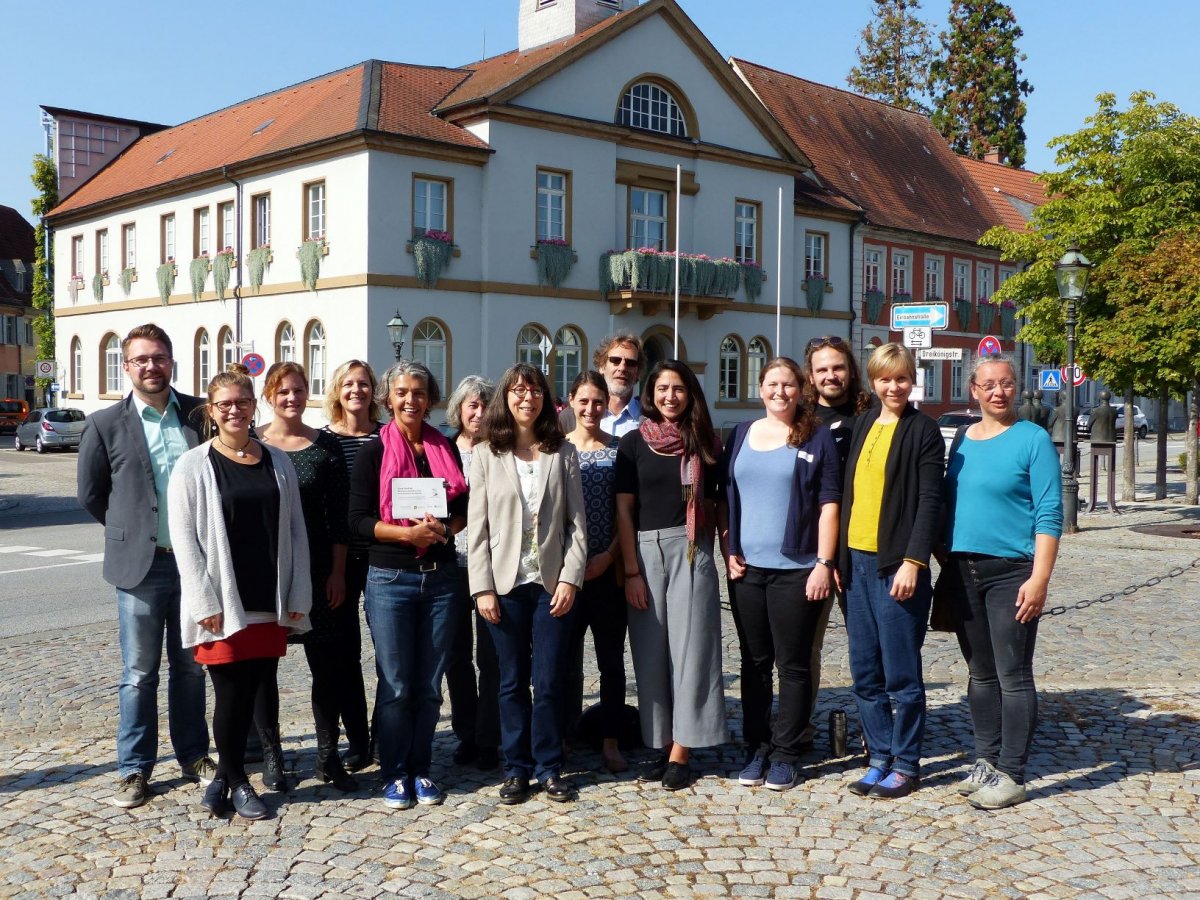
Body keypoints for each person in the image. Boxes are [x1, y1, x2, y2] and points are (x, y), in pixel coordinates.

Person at [76, 324, 215, 809]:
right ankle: (134, 768)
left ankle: (195, 756)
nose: (151, 366)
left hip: (196, 565)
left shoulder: (200, 415)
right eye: (141, 359)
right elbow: (92, 494)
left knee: (192, 670)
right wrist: (131, 532)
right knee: (138, 674)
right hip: (140, 566)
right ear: (126, 366)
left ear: (171, 361)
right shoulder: (104, 424)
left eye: (159, 357)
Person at [168, 366, 311, 819]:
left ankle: (221, 782)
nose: (234, 410)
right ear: (212, 411)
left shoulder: (277, 460)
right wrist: (203, 602)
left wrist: (296, 591)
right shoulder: (195, 465)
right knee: (230, 693)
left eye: (242, 402)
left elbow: (294, 531)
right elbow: (184, 537)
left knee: (253, 688)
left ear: (254, 407)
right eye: (225, 404)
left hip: (268, 599)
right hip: (223, 604)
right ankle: (238, 781)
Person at [942, 356, 1062, 809]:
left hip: (1012, 571)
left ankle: (1013, 771)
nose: (998, 392)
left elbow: (1050, 513)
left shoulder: (1032, 439)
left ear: (1016, 388)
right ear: (973, 390)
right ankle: (985, 761)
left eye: (1006, 384)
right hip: (963, 569)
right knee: (979, 674)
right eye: (989, 385)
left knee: (1013, 675)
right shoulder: (963, 439)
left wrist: (1040, 579)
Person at [348, 360, 467, 811]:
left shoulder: (444, 447)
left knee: (430, 683)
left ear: (430, 398)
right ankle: (394, 773)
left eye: (419, 392)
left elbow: (463, 509)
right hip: (391, 578)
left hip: (440, 579)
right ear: (388, 398)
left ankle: (421, 769)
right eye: (401, 392)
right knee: (397, 683)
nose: (410, 400)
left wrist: (445, 528)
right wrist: (407, 535)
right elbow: (358, 522)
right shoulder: (373, 451)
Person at [718, 357, 841, 791]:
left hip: (798, 568)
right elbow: (725, 499)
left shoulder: (816, 435)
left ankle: (787, 752)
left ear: (800, 389)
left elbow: (829, 503)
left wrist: (824, 563)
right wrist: (728, 548)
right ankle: (757, 747)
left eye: (788, 385)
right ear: (760, 387)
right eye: (772, 384)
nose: (780, 392)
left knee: (792, 665)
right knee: (754, 663)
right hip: (748, 570)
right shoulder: (739, 436)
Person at [467, 363, 587, 805]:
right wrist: (482, 588)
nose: (526, 398)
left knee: (551, 679)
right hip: (504, 584)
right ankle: (515, 768)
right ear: (506, 397)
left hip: (551, 584)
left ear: (545, 399)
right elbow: (476, 529)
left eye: (534, 391)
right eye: (518, 390)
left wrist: (571, 578)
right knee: (511, 681)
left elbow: (578, 525)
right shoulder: (485, 455)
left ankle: (550, 766)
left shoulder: (563, 452)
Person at [615, 360, 727, 791]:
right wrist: (631, 571)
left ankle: (683, 748)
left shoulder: (705, 443)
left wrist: (721, 552)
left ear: (690, 393)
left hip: (691, 546)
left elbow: (717, 506)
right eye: (662, 388)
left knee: (693, 651)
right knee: (650, 653)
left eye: (678, 388)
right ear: (651, 393)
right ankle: (659, 742)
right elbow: (625, 511)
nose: (670, 396)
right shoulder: (632, 444)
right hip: (643, 551)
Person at [838, 342, 942, 800]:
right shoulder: (864, 423)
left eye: (901, 377)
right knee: (865, 671)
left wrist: (914, 561)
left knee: (901, 673)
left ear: (911, 379)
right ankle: (878, 756)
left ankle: (906, 762)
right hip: (857, 562)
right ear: (874, 381)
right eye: (885, 378)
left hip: (896, 565)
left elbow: (929, 503)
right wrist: (839, 559)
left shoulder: (924, 430)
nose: (894, 386)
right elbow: (848, 495)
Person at [258, 362, 357, 792]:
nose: (292, 398)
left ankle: (326, 754)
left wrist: (338, 572)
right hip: (266, 571)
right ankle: (272, 756)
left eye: (298, 390)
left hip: (319, 570)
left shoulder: (326, 446)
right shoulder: (251, 443)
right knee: (263, 668)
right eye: (283, 391)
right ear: (268, 395)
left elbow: (339, 519)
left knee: (328, 667)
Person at [801, 335, 872, 752]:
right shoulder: (802, 418)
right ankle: (801, 724)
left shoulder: (873, 413)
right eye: (823, 369)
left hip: (864, 545)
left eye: (838, 367)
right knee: (804, 647)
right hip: (814, 551)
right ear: (811, 376)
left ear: (850, 369)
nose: (831, 375)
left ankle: (874, 729)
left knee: (868, 644)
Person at [563, 370, 628, 773]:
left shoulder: (620, 449)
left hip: (608, 569)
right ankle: (565, 737)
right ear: (570, 401)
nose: (590, 409)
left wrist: (609, 556)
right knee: (565, 661)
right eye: (583, 401)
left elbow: (629, 515)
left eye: (598, 402)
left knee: (611, 660)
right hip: (566, 574)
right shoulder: (555, 449)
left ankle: (611, 740)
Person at [319, 359, 381, 772]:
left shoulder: (387, 437)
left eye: (363, 384)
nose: (356, 390)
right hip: (336, 560)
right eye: (348, 384)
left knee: (388, 655)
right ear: (337, 391)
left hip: (382, 555)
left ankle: (385, 733)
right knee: (344, 655)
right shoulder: (323, 442)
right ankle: (358, 741)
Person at [442, 374, 502, 771]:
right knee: (456, 656)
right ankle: (466, 731)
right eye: (471, 406)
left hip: (493, 566)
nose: (478, 414)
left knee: (493, 657)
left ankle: (489, 736)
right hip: (449, 564)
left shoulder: (502, 449)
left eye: (484, 406)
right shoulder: (441, 448)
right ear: (459, 411)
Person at [558, 333, 644, 436]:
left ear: (638, 372)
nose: (622, 368)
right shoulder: (569, 418)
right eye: (615, 360)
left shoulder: (650, 417)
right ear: (602, 366)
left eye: (630, 363)